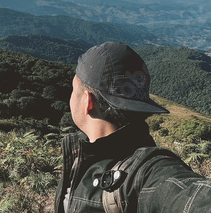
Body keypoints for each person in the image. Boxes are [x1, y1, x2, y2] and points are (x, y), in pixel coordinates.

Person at [54, 41, 211, 213]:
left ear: (87, 101)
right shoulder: (82, 153)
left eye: (73, 89)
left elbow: (191, 194)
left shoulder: (148, 172)